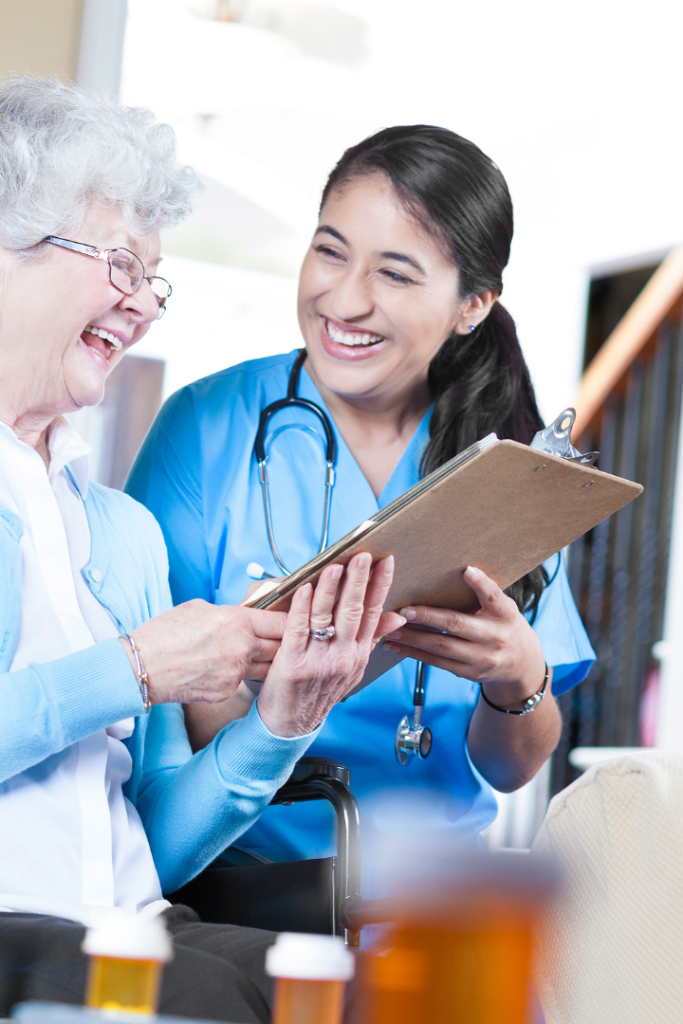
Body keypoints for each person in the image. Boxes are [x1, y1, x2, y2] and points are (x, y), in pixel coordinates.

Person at [0, 75, 403, 1020]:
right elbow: (116, 680)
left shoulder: (121, 536)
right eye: (121, 265)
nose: (144, 305)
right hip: (14, 932)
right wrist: (135, 668)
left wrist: (284, 718)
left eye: (154, 278)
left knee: (383, 993)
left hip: (130, 927)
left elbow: (157, 845)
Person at [128, 125, 595, 891]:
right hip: (233, 887)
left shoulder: (505, 467)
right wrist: (266, 687)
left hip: (432, 902)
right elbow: (152, 702)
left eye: (397, 274)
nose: (344, 300)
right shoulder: (206, 424)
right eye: (330, 251)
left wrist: (517, 675)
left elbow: (510, 771)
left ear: (471, 304)